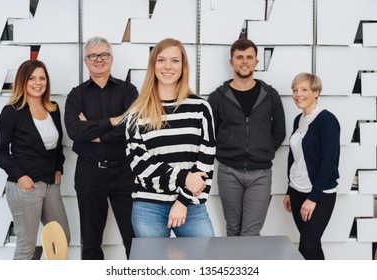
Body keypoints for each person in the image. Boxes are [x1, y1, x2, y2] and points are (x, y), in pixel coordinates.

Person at [124, 38, 216, 238]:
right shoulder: (137, 112)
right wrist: (183, 178)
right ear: (153, 65)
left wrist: (183, 201)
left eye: (175, 61)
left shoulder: (200, 108)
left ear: (183, 66)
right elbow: (140, 164)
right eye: (161, 60)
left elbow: (205, 162)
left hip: (191, 205)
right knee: (154, 268)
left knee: (207, 263)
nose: (168, 66)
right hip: (148, 207)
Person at [64, 36, 138, 259]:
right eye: (93, 55)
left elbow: (132, 127)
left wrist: (95, 134)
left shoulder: (128, 91)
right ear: (86, 61)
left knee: (134, 237)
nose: (99, 59)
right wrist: (111, 121)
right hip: (89, 172)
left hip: (125, 171)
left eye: (104, 54)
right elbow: (75, 132)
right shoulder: (76, 95)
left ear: (111, 59)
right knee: (91, 240)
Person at [208, 38, 286, 237]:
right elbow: (209, 133)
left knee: (250, 233)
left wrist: (264, 152)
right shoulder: (218, 97)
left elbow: (279, 131)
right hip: (228, 173)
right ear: (231, 61)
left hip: (260, 174)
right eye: (240, 57)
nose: (245, 61)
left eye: (249, 57)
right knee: (233, 230)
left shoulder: (270, 95)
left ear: (256, 62)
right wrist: (226, 154)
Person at [0, 59, 70, 260]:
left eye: (42, 78)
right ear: (23, 81)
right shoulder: (11, 113)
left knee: (62, 240)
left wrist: (58, 169)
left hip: (50, 185)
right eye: (32, 78)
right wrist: (20, 176)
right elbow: (0, 152)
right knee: (26, 247)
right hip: (24, 187)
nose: (38, 83)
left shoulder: (53, 109)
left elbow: (58, 146)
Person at [283, 72, 340, 260]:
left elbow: (328, 162)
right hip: (297, 191)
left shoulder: (327, 121)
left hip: (320, 194)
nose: (298, 94)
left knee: (306, 249)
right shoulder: (298, 120)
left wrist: (313, 197)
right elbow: (295, 157)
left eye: (304, 89)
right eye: (294, 90)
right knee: (313, 246)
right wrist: (289, 189)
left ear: (316, 92)